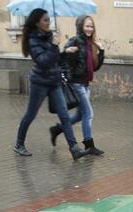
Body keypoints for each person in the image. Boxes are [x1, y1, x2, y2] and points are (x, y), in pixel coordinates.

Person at [14, 8, 87, 160]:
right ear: (37, 22)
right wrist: (54, 45)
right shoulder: (32, 40)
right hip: (39, 83)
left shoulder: (48, 36)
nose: (49, 22)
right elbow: (43, 62)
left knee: (64, 116)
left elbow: (54, 59)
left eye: (49, 19)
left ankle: (74, 148)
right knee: (30, 114)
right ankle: (19, 144)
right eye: (45, 20)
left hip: (54, 82)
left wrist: (66, 51)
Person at [50, 15, 106, 155]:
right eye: (87, 26)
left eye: (91, 26)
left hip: (86, 84)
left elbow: (95, 67)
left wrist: (102, 51)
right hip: (76, 84)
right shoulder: (75, 41)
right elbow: (62, 62)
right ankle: (89, 145)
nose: (89, 29)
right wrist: (66, 52)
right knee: (89, 113)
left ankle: (57, 129)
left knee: (79, 116)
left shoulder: (90, 44)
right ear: (81, 26)